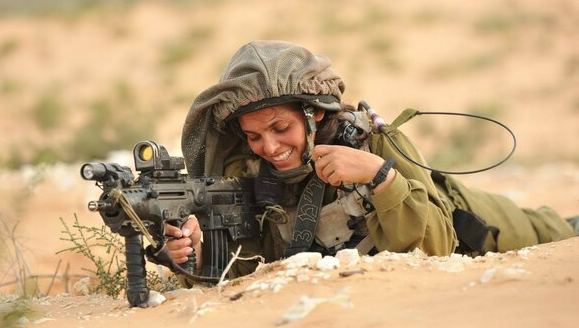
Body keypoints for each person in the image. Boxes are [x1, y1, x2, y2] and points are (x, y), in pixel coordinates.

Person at [165, 40, 576, 279]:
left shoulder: (374, 143)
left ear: (317, 113)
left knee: (558, 228)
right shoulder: (250, 174)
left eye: (280, 128)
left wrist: (381, 178)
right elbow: (255, 265)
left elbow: (437, 245)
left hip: (481, 225)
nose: (269, 147)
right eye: (253, 136)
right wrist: (199, 255)